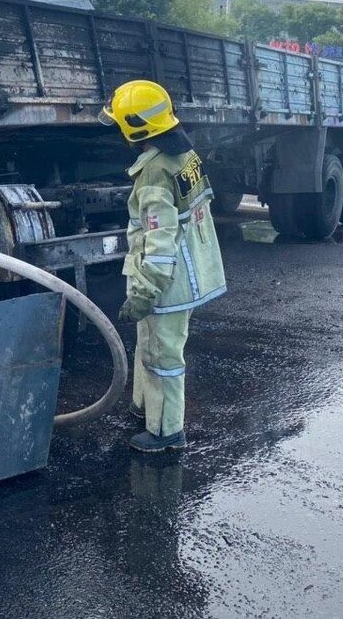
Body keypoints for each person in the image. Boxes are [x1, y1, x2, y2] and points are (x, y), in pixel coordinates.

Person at [101, 79, 226, 454]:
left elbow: (159, 241)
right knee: (149, 343)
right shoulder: (184, 156)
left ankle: (167, 431)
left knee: (163, 354)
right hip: (189, 271)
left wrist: (145, 291)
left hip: (167, 281)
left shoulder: (154, 172)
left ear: (133, 128)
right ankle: (145, 408)